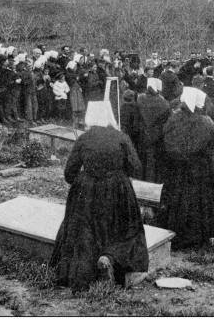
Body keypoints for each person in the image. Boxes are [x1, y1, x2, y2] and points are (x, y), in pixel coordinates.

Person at [50, 101, 148, 292]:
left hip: (87, 193)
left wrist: (85, 181)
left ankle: (84, 271)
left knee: (84, 233)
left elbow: (69, 173)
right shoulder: (121, 137)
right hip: (117, 191)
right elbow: (136, 168)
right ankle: (111, 258)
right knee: (126, 230)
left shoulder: (84, 139)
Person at [159, 87, 214, 249]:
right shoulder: (205, 121)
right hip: (200, 170)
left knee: (179, 201)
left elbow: (166, 144)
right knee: (199, 203)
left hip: (178, 170)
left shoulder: (173, 120)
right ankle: (198, 237)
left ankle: (177, 234)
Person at [137, 78, 170, 183]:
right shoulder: (163, 103)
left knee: (143, 160)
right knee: (154, 164)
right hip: (157, 138)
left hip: (142, 136)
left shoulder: (140, 99)